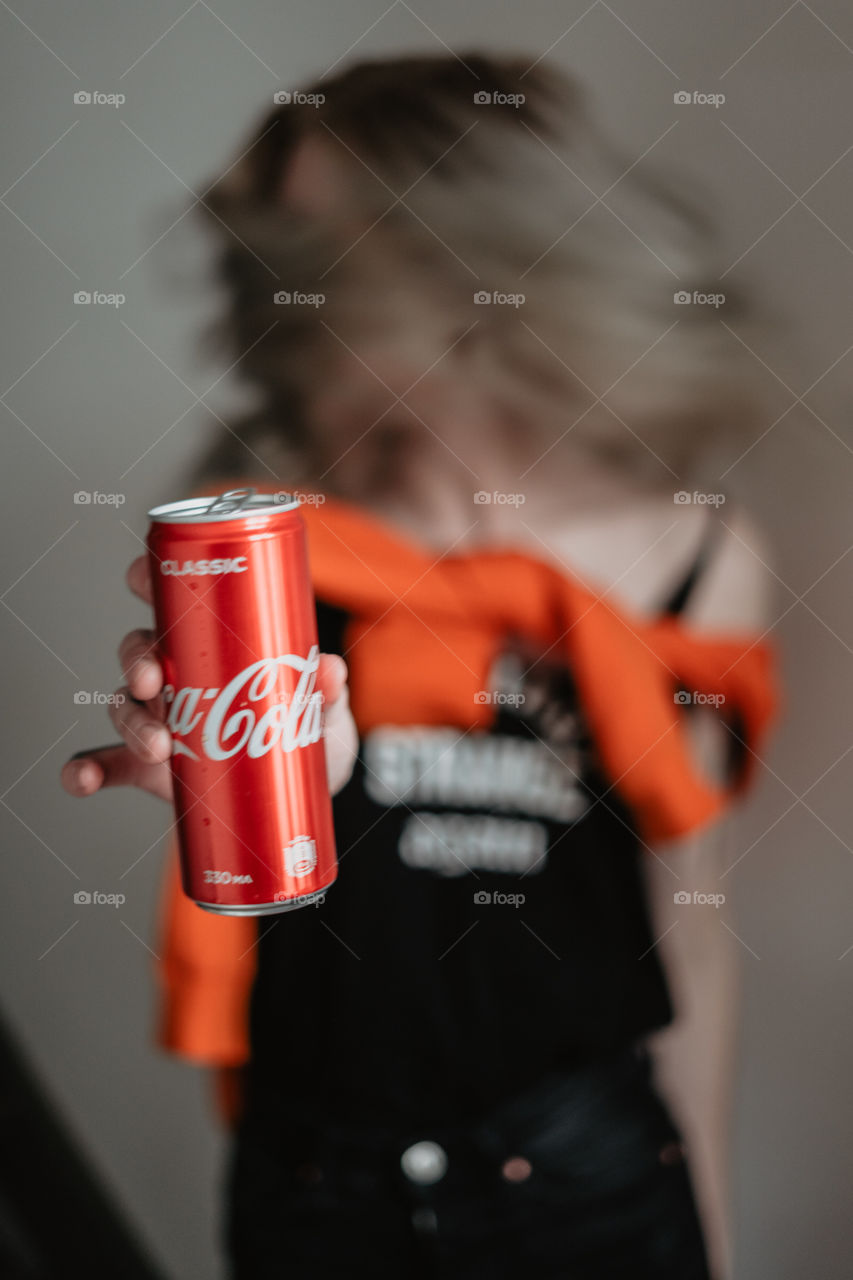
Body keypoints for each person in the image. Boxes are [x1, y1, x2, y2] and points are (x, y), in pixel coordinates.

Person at [61, 54, 779, 1280]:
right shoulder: (267, 530)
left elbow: (690, 918)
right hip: (317, 1176)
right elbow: (282, 891)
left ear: (467, 252)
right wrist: (220, 779)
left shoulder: (696, 552)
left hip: (591, 1173)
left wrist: (701, 1204)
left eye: (321, 248)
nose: (280, 288)